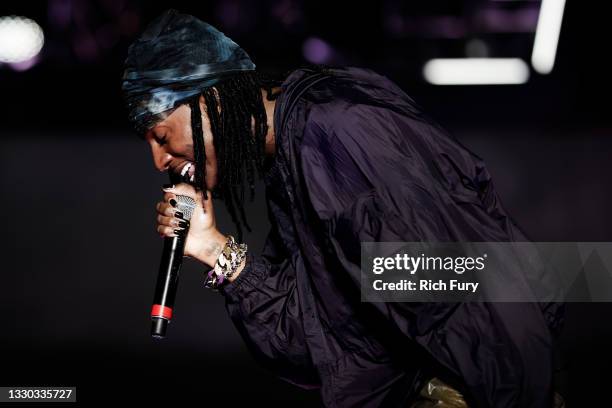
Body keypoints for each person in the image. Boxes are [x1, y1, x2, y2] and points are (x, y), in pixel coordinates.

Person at [122, 9, 565, 408]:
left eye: (162, 136)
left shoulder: (338, 133)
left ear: (209, 99)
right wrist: (216, 250)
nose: (160, 162)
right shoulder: (295, 158)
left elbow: (472, 286)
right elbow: (325, 348)